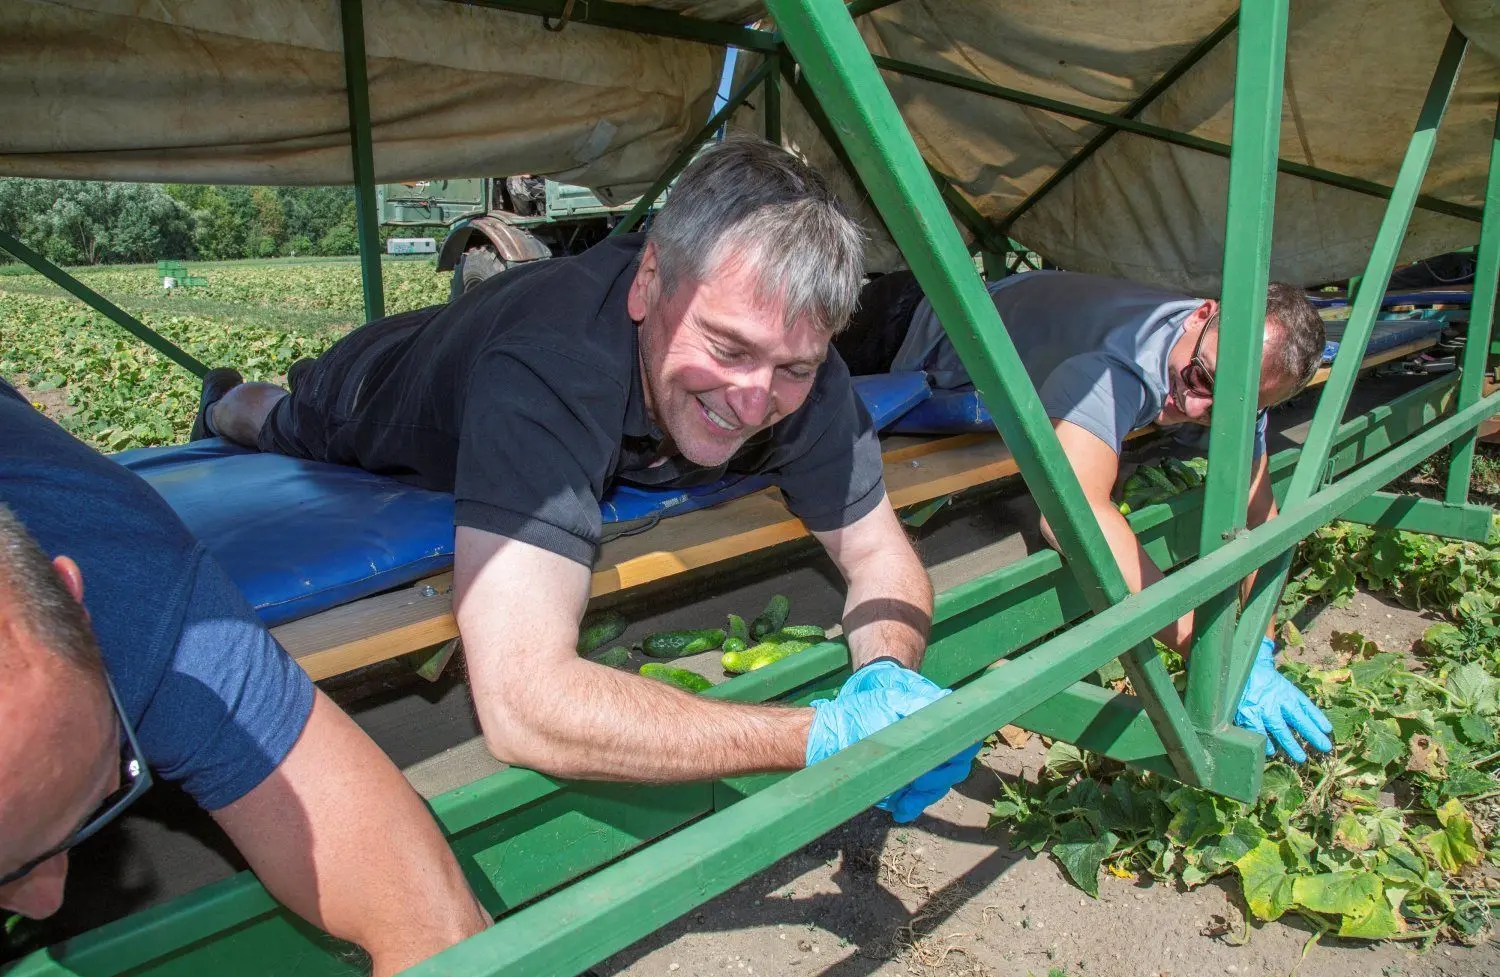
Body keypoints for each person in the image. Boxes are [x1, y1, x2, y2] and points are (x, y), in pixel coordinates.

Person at [196, 134, 975, 821]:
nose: (751, 401)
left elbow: (878, 552)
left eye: (791, 368)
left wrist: (885, 679)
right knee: (279, 419)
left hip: (513, 330)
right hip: (383, 383)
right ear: (649, 284)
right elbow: (524, 706)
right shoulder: (552, 368)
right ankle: (225, 395)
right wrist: (822, 737)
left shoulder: (797, 363)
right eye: (728, 350)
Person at [0, 378, 488, 977]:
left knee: (288, 412)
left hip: (366, 384)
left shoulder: (146, 606)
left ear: (76, 603)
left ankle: (223, 405)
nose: (48, 900)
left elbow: (430, 925)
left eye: (103, 787)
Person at [838, 268, 1335, 763]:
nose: (1194, 403)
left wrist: (1259, 644)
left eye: (1224, 408)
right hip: (901, 323)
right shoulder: (1122, 360)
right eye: (1202, 377)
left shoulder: (1225, 366)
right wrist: (1211, 654)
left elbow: (1257, 513)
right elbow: (1074, 518)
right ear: (1201, 313)